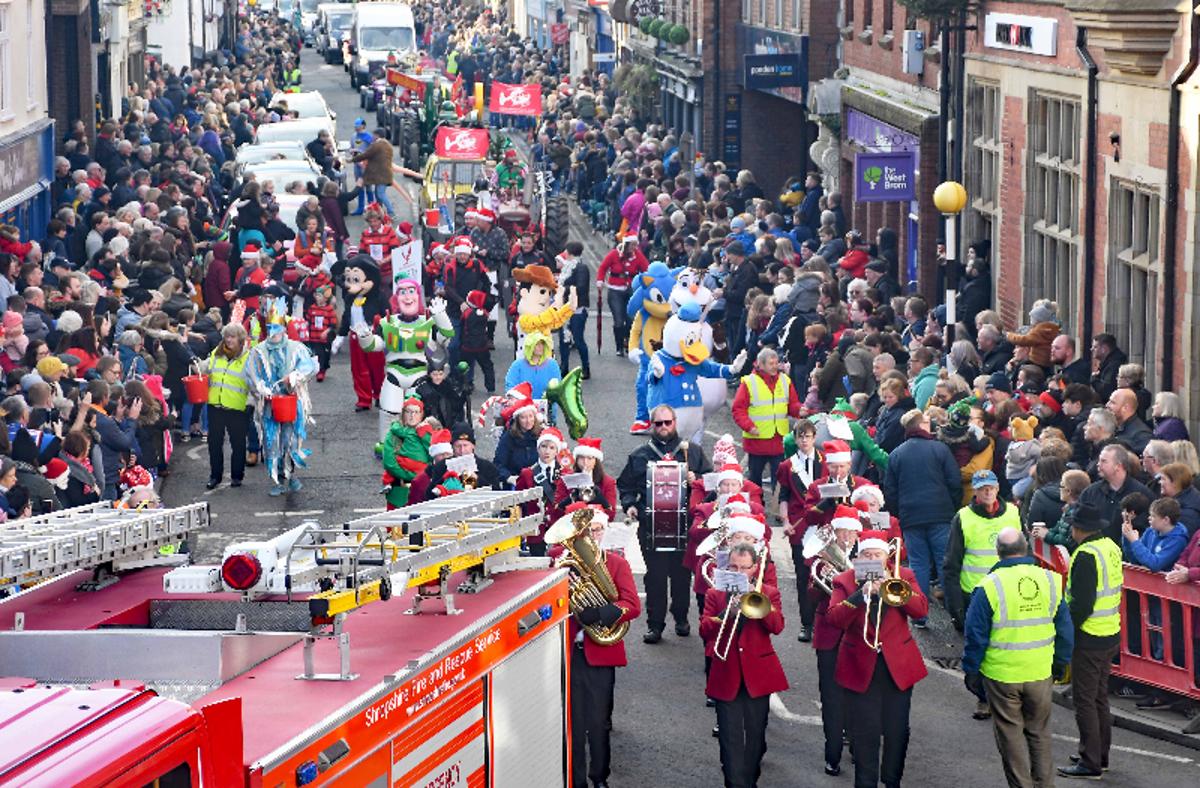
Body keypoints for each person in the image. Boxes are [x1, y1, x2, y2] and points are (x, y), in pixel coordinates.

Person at [961, 528, 1073, 788]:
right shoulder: (1050, 580)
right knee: (1039, 734)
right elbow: (1065, 631)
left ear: (998, 552)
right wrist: (1059, 665)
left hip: (1002, 676)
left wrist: (972, 671)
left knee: (1011, 739)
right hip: (1040, 672)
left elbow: (975, 636)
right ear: (1027, 548)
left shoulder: (988, 586)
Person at [827, 530, 929, 788]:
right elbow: (835, 619)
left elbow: (920, 610)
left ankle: (892, 780)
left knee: (897, 731)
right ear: (858, 557)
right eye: (867, 555)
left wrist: (893, 587)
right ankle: (865, 782)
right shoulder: (845, 580)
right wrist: (860, 595)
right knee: (865, 733)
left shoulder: (902, 576)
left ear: (886, 557)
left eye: (877, 555)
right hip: (860, 665)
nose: (872, 558)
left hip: (898, 666)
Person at [552, 506, 640, 788]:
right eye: (587, 531)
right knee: (573, 723)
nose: (591, 535)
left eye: (596, 530)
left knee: (598, 722)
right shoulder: (560, 564)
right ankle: (576, 780)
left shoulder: (615, 564)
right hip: (568, 653)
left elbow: (631, 605)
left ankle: (599, 777)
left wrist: (602, 613)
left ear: (603, 532)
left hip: (599, 651)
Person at [617, 404, 711, 643]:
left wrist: (696, 480)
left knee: (681, 576)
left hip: (684, 526)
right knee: (656, 578)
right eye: (659, 423)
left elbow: (712, 485)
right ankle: (655, 625)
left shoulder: (693, 452)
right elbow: (625, 485)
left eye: (668, 422)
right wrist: (630, 504)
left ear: (675, 422)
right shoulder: (640, 455)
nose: (664, 427)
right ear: (652, 425)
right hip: (651, 527)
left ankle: (681, 617)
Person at [700, 542, 787, 788]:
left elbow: (777, 627)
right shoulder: (714, 594)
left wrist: (755, 601)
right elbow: (704, 629)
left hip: (757, 676)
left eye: (744, 568)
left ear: (754, 569)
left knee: (755, 739)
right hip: (726, 674)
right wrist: (726, 613)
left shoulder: (768, 593)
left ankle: (749, 781)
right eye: (733, 567)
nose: (738, 572)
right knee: (730, 739)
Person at [1058, 503, 1124, 779]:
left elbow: (1081, 604)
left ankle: (1090, 762)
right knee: (1099, 698)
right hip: (1110, 632)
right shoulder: (1110, 546)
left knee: (1084, 700)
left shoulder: (1085, 555)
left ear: (1077, 528)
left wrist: (1066, 634)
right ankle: (1100, 755)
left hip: (1090, 636)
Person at [883, 409, 962, 623]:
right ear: (922, 426)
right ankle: (954, 614)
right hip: (940, 515)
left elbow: (890, 490)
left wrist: (899, 513)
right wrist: (951, 508)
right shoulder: (940, 449)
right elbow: (954, 481)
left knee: (918, 564)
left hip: (911, 517)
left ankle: (919, 614)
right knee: (943, 562)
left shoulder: (896, 454)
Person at [246, 297, 319, 496]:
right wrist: (262, 389)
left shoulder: (296, 348)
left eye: (276, 327)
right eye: (269, 327)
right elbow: (251, 374)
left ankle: (291, 475)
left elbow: (310, 366)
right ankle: (276, 480)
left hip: (291, 403)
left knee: (291, 441)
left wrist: (294, 377)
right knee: (271, 442)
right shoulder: (258, 351)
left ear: (284, 328)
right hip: (270, 406)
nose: (273, 332)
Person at [809, 508, 860, 776]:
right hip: (829, 635)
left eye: (852, 531)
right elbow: (811, 594)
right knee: (831, 697)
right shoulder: (822, 559)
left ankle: (856, 745)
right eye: (843, 531)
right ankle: (832, 754)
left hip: (858, 634)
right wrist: (822, 585)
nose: (848, 537)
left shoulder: (867, 558)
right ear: (836, 532)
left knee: (858, 693)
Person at [943, 470, 1023, 639]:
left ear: (998, 488)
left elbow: (1024, 552)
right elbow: (951, 564)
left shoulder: (1013, 512)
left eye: (991, 488)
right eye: (983, 488)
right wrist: (956, 609)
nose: (988, 492)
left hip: (1007, 592)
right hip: (975, 594)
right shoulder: (963, 517)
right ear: (975, 490)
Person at [730, 347, 801, 490]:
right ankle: (755, 509)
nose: (775, 366)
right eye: (771, 363)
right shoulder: (749, 382)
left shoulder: (785, 380)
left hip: (779, 440)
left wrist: (800, 410)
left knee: (780, 480)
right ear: (760, 365)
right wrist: (749, 426)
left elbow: (792, 405)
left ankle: (777, 510)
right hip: (757, 441)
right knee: (754, 481)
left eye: (776, 363)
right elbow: (738, 409)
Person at [202, 323, 251, 490]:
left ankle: (237, 476)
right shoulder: (217, 353)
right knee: (214, 443)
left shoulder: (248, 358)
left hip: (237, 408)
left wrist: (251, 404)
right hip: (215, 406)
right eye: (227, 336)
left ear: (241, 339)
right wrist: (194, 364)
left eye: (232, 337)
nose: (229, 340)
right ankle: (215, 476)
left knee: (238, 444)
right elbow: (205, 368)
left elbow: (254, 384)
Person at [595, 235, 647, 355]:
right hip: (615, 291)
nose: (635, 247)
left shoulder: (638, 255)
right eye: (632, 245)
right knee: (618, 321)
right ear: (626, 244)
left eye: (636, 244)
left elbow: (646, 269)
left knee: (630, 319)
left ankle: (628, 341)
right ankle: (619, 347)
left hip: (630, 291)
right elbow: (603, 268)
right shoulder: (614, 254)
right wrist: (600, 280)